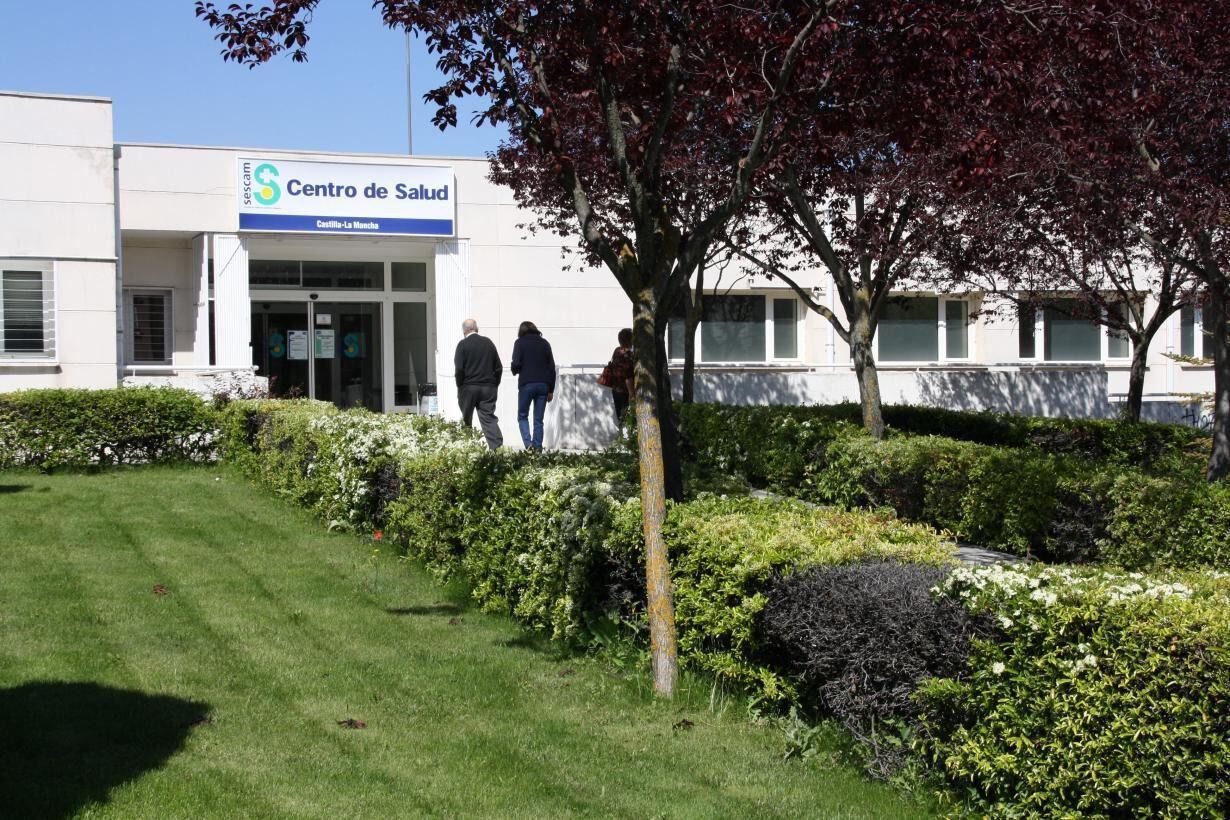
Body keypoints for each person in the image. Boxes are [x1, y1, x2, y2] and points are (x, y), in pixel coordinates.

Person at [454, 318, 503, 449]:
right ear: (477, 329)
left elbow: (459, 369)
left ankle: (468, 448)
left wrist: (460, 386)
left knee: (466, 419)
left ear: (464, 331)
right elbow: (498, 367)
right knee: (488, 419)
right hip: (488, 388)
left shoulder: (462, 345)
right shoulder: (488, 343)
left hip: (468, 387)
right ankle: (497, 449)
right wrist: (494, 384)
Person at [510, 320, 556, 451]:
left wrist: (514, 369)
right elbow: (551, 368)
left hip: (527, 384)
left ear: (521, 331)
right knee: (538, 420)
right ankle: (537, 448)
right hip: (543, 385)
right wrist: (551, 390)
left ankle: (528, 444)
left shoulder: (519, 343)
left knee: (522, 416)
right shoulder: (545, 343)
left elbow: (516, 364)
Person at [607, 328, 636, 427]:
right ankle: (625, 435)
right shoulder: (628, 354)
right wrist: (631, 394)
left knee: (621, 418)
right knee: (628, 420)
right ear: (629, 339)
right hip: (625, 391)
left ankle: (622, 434)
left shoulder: (617, 351)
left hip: (615, 389)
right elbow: (628, 376)